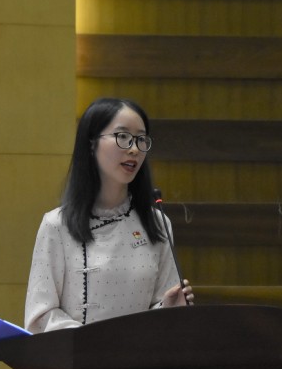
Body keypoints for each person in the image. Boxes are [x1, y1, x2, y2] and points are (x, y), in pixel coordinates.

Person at [24, 97, 194, 334]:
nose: (134, 149)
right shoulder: (57, 225)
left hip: (138, 354)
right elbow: (40, 316)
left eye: (141, 139)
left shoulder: (157, 223)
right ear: (91, 143)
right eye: (122, 136)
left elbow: (162, 311)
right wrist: (95, 340)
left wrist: (168, 308)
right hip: (80, 355)